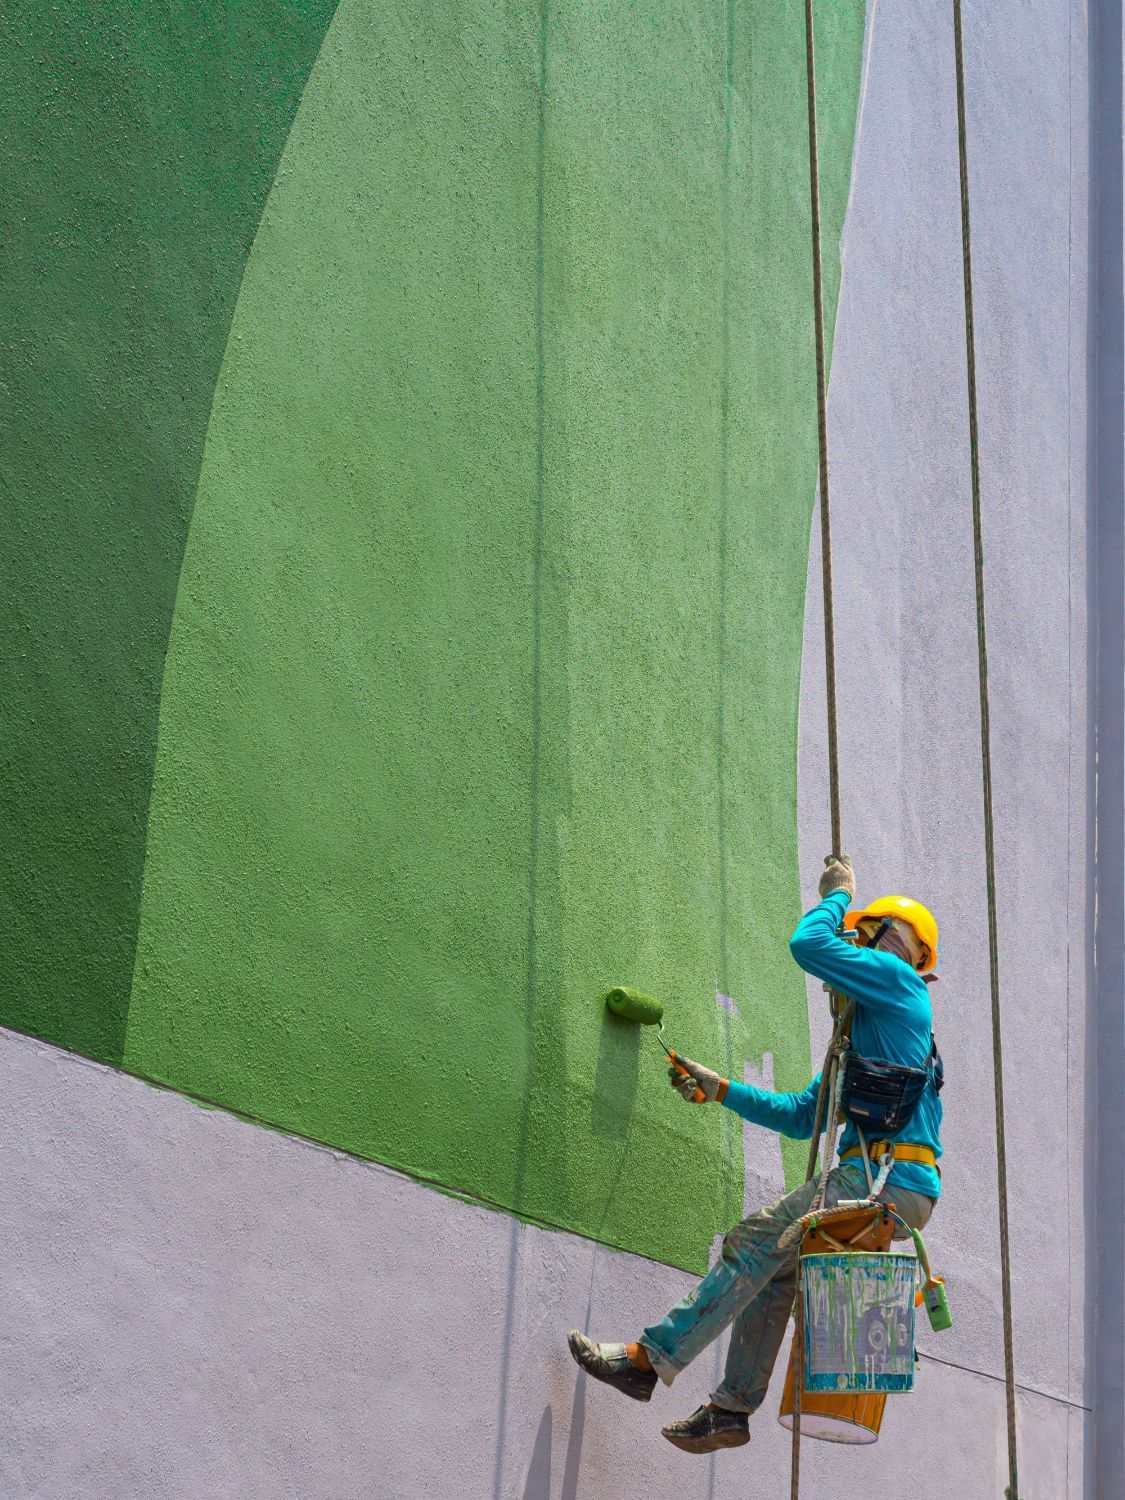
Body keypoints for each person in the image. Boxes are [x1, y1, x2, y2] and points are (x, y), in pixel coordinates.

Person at [567, 855, 943, 1454]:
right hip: (890, 1186)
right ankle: (730, 1410)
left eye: (858, 943)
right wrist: (720, 1088)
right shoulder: (867, 1036)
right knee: (775, 1275)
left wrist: (837, 897)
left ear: (886, 944)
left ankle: (647, 1360)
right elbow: (802, 1117)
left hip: (881, 1182)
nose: (838, 970)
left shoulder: (897, 985)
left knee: (751, 1242)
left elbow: (807, 943)